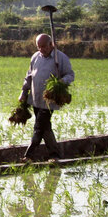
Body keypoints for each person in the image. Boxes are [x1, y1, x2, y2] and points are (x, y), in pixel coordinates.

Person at [18, 33, 74, 162]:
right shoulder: (35, 57)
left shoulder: (60, 58)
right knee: (45, 127)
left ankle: (29, 156)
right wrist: (23, 92)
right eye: (39, 47)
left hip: (50, 100)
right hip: (35, 98)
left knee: (39, 127)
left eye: (44, 46)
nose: (41, 49)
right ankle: (55, 155)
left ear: (51, 44)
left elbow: (70, 75)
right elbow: (29, 76)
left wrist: (61, 81)